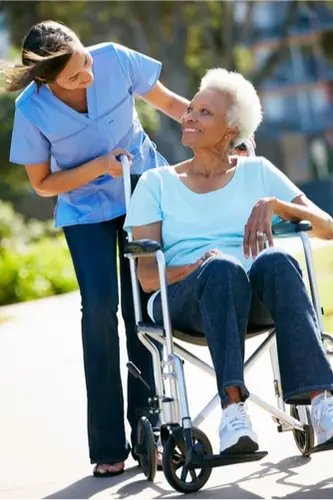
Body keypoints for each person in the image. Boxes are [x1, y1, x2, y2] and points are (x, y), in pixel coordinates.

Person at [6, 20, 190, 476]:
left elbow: (168, 102)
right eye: (74, 76)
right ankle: (108, 446)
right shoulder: (32, 109)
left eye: (85, 61)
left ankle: (154, 430)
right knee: (101, 309)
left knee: (142, 309)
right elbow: (43, 183)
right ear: (48, 81)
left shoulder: (113, 58)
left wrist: (224, 129)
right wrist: (96, 168)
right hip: (84, 212)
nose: (87, 74)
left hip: (140, 193)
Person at [124, 68, 333, 455]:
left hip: (253, 297)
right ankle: (233, 415)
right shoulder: (156, 183)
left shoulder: (259, 172)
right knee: (222, 270)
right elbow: (149, 277)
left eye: (204, 112)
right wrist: (198, 266)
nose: (188, 117)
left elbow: (327, 228)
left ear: (230, 128)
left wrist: (276, 204)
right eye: (191, 109)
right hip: (183, 302)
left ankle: (323, 405)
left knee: (276, 262)